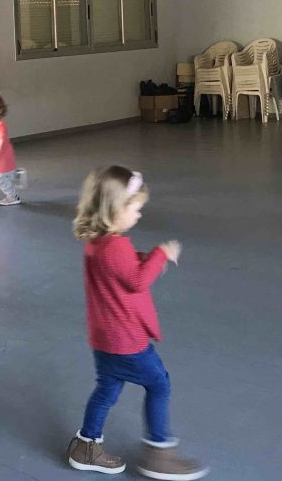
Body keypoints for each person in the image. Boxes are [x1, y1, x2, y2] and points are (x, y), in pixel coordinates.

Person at [68, 165, 209, 480]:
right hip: (126, 341)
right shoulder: (115, 246)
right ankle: (159, 453)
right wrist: (160, 254)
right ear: (114, 209)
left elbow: (121, 269)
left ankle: (86, 445)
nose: (140, 214)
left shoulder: (98, 242)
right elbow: (136, 281)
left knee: (107, 389)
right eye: (135, 208)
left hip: (104, 339)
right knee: (159, 384)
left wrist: (145, 258)